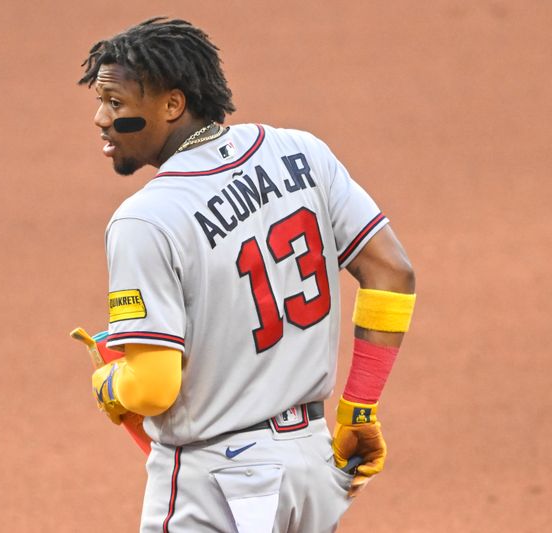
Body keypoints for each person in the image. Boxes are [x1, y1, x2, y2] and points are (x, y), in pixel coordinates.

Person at [78, 17, 416, 533]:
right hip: (311, 466)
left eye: (117, 104)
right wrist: (360, 410)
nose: (101, 118)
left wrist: (111, 385)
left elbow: (152, 388)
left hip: (217, 483)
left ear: (173, 105)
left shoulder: (145, 218)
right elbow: (392, 272)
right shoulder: (302, 151)